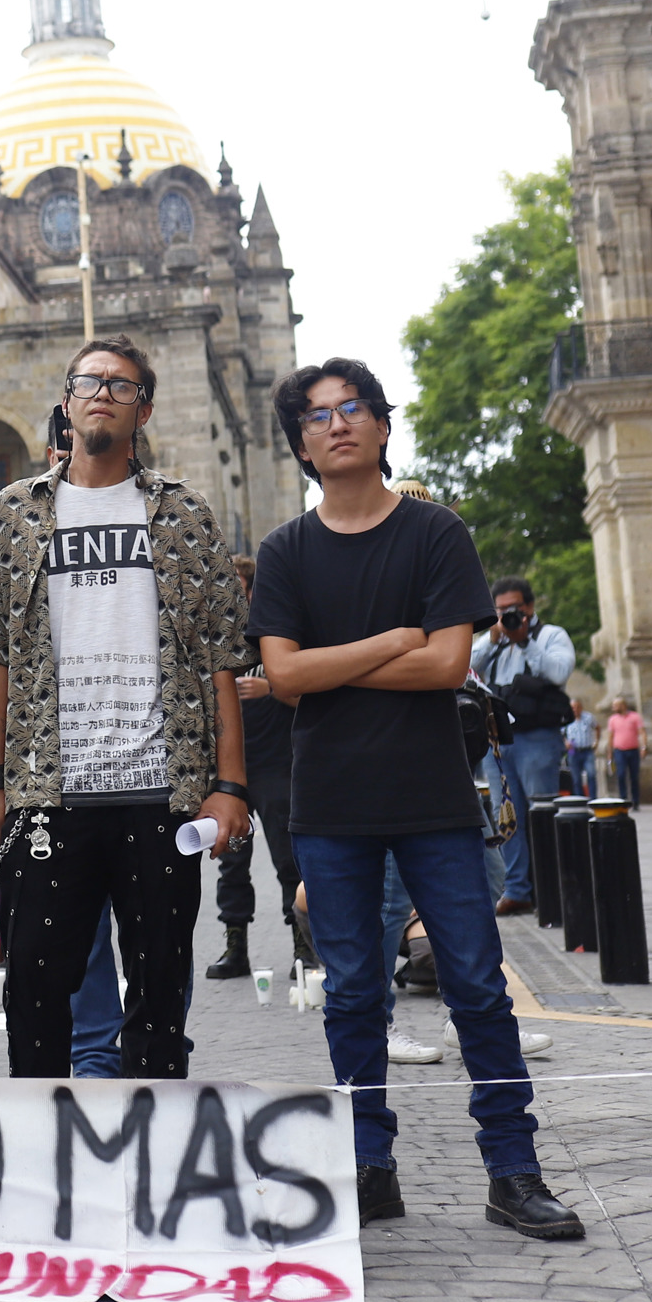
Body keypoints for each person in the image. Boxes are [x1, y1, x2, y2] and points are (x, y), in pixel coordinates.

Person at [251, 356, 583, 1240]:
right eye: (318, 415)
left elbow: (447, 664)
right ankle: (369, 1166)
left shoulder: (437, 535)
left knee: (477, 984)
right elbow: (282, 677)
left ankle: (513, 1171)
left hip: (434, 796)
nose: (339, 422)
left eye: (354, 406)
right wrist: (395, 636)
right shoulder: (286, 551)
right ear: (302, 446)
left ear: (383, 425)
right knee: (355, 993)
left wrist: (342, 661)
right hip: (331, 804)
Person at [0, 335, 251, 1082]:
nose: (103, 393)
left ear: (143, 408)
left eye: (121, 386)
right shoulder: (14, 512)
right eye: (89, 382)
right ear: (66, 401)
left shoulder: (183, 513)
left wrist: (231, 787)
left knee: (159, 989)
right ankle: (44, 1154)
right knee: (33, 986)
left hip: (160, 792)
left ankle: (148, 1156)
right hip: (47, 791)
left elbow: (221, 656)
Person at [204, 554, 308, 983]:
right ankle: (235, 946)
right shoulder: (208, 640)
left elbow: (308, 693)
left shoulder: (273, 636)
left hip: (277, 765)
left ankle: (303, 946)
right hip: (229, 770)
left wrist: (270, 686)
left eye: (235, 585)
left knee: (290, 862)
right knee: (230, 862)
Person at [470, 575, 576, 916]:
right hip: (498, 742)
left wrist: (525, 640)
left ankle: (551, 888)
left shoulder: (550, 636)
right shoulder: (494, 642)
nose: (507, 616)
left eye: (513, 609)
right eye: (500, 610)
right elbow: (462, 668)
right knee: (508, 818)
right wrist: (494, 637)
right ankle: (517, 890)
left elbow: (559, 672)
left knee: (542, 812)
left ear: (529, 607)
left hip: (537, 738)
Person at [607, 697, 644, 809]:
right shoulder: (613, 719)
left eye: (616, 705)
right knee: (621, 774)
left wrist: (644, 747)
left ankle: (635, 801)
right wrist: (610, 752)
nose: (613, 708)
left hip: (633, 750)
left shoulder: (635, 717)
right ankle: (623, 798)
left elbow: (642, 732)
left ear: (623, 705)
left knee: (634, 776)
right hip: (619, 751)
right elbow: (610, 737)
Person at [561, 699, 597, 801]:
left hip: (587, 750)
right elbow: (561, 734)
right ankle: (580, 799)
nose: (575, 709)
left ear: (581, 707)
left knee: (591, 774)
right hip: (573, 752)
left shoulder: (589, 718)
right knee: (576, 778)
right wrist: (565, 742)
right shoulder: (566, 719)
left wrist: (596, 741)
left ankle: (593, 798)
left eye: (577, 707)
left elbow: (597, 727)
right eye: (573, 707)